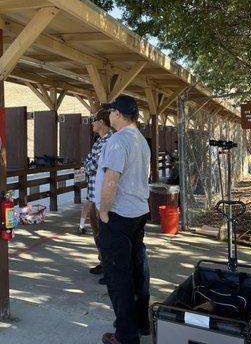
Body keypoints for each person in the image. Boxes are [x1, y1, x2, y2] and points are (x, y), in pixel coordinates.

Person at [94, 95, 151, 344]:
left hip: (119, 215)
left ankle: (126, 337)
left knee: (119, 276)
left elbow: (111, 181)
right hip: (138, 213)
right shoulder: (141, 140)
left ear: (117, 114)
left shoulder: (118, 141)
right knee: (138, 269)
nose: (108, 116)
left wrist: (104, 211)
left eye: (110, 112)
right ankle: (140, 323)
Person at [81, 109, 113, 282]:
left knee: (106, 235)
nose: (92, 123)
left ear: (101, 122)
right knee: (97, 233)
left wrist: (88, 164)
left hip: (103, 198)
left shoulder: (109, 141)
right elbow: (88, 162)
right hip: (93, 196)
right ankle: (103, 262)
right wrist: (88, 164)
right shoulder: (98, 142)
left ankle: (110, 269)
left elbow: (92, 165)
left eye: (94, 120)